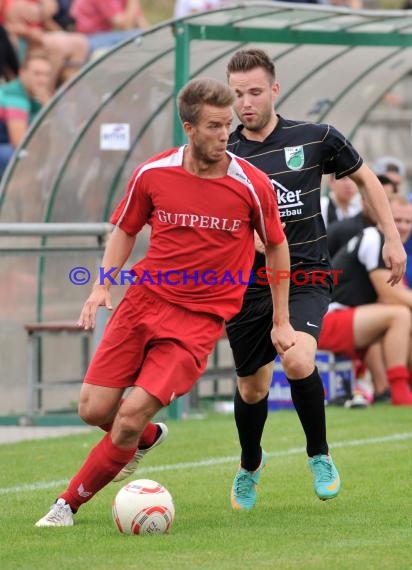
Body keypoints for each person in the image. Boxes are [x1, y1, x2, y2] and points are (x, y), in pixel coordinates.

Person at [35, 77, 297, 527]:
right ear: (188, 127)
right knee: (94, 411)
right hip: (142, 303)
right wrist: (101, 286)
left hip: (199, 319)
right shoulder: (153, 172)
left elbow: (276, 244)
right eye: (214, 126)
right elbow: (126, 228)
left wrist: (282, 320)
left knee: (128, 415)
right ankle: (146, 438)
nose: (224, 134)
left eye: (227, 125)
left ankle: (66, 506)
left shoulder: (250, 183)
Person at [224, 48, 406, 510]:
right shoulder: (224, 153)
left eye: (255, 92)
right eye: (237, 94)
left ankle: (319, 456)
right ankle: (249, 464)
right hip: (247, 284)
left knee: (299, 359)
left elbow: (366, 179)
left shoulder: (315, 137)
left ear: (274, 90)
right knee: (252, 388)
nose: (245, 102)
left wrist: (391, 237)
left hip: (305, 274)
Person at [318, 195, 412, 406]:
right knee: (400, 315)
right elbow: (389, 294)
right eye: (397, 220)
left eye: (408, 222)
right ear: (383, 218)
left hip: (346, 318)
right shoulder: (374, 237)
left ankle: (389, 388)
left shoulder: (387, 243)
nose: (403, 227)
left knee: (404, 315)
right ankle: (400, 391)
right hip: (328, 319)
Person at [0, 50, 52, 178]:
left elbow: (66, 131)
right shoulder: (14, 96)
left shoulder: (41, 97)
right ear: (22, 73)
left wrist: (49, 105)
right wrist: (50, 109)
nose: (42, 80)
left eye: (46, 75)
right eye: (37, 74)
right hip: (6, 148)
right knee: (22, 158)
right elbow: (19, 142)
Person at [70, 0, 149, 53]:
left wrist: (151, 39)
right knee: (135, 38)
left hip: (103, 36)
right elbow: (126, 27)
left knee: (142, 37)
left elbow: (142, 25)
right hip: (86, 39)